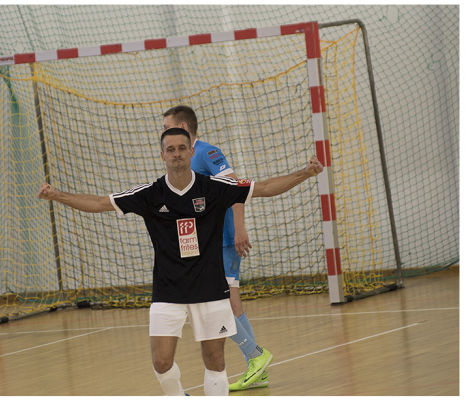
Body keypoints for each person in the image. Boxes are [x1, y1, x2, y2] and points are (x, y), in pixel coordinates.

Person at [38, 127, 323, 395]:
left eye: (182, 148)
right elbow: (100, 203)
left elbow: (264, 187)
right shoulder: (150, 194)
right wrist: (56, 195)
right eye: (170, 149)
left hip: (210, 288)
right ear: (162, 155)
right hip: (168, 291)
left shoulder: (215, 187)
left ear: (191, 152)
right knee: (161, 362)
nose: (176, 154)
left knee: (215, 360)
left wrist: (305, 173)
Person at [162, 105, 270, 391]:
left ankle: (256, 356)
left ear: (183, 128)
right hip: (210, 243)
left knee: (218, 301)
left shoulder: (206, 152)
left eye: (166, 126)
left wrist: (239, 229)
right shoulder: (185, 157)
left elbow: (235, 186)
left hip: (224, 240)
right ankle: (257, 364)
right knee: (229, 301)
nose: (163, 132)